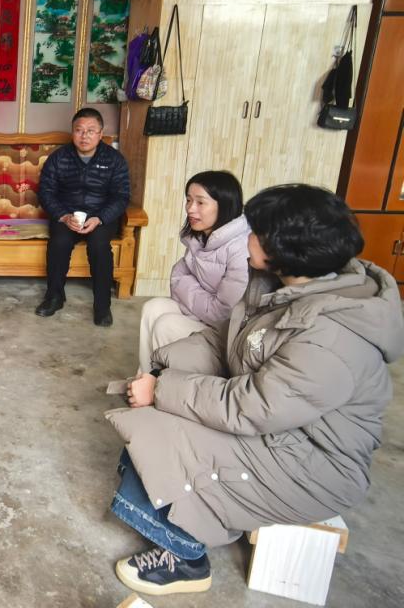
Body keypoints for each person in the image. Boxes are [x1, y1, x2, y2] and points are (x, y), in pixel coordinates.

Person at [106, 184, 402, 596]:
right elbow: (223, 341)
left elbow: (253, 406)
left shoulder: (332, 336)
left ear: (284, 247)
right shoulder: (278, 284)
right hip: (280, 432)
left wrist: (162, 391)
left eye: (255, 230)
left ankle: (186, 556)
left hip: (313, 462)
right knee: (149, 427)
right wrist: (161, 368)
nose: (245, 237)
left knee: (156, 432)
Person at [137, 170, 249, 373]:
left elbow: (224, 312)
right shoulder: (199, 236)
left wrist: (188, 287)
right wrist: (198, 293)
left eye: (200, 202)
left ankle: (163, 384)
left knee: (166, 324)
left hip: (226, 333)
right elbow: (177, 276)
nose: (190, 208)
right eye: (188, 200)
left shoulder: (240, 248)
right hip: (203, 314)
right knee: (153, 307)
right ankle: (145, 376)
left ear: (224, 204)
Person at [36, 107, 130, 326]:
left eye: (91, 130)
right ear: (72, 132)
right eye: (79, 130)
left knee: (99, 246)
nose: (84, 136)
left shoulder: (114, 159)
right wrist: (63, 216)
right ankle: (54, 297)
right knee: (59, 242)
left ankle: (102, 306)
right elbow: (46, 192)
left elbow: (121, 196)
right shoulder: (59, 157)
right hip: (68, 215)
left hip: (100, 216)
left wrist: (100, 218)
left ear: (100, 133)